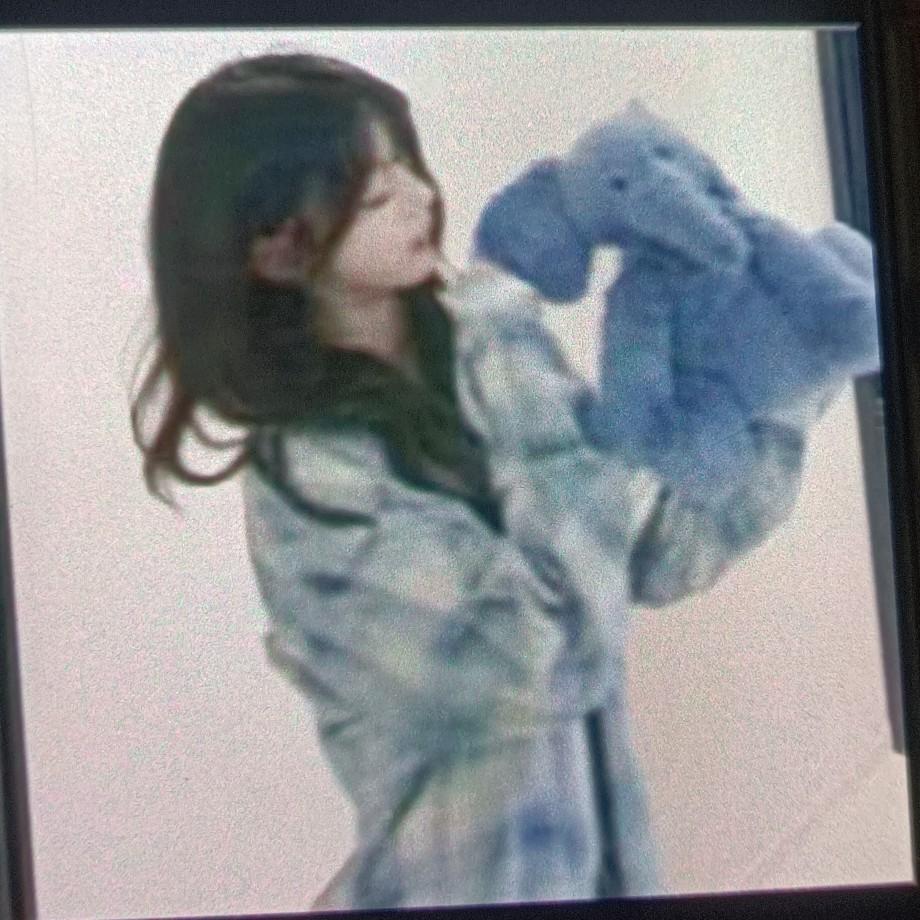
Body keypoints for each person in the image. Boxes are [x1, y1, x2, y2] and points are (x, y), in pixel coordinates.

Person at [131, 52, 800, 911]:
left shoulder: (482, 341)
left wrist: (781, 381)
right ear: (278, 248)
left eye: (410, 166)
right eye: (378, 195)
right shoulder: (307, 481)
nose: (423, 197)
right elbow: (546, 662)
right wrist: (520, 348)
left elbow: (658, 550)